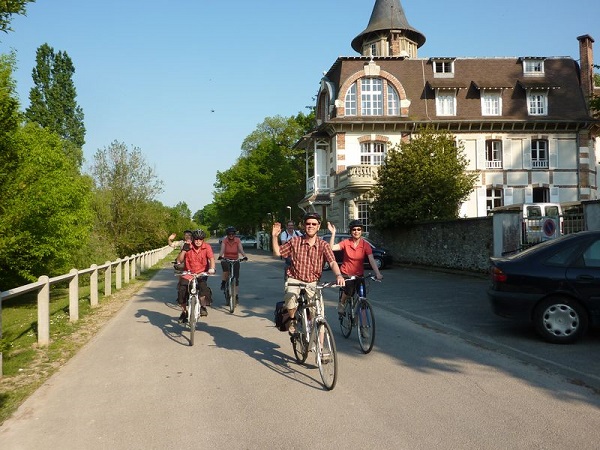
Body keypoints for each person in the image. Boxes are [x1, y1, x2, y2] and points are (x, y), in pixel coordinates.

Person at [272, 212, 345, 334]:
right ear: (303, 225)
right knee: (290, 298)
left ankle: (320, 350)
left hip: (313, 281)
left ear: (318, 226)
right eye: (308, 223)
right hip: (295, 278)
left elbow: (332, 262)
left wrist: (338, 275)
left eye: (313, 224)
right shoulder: (295, 241)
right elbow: (278, 253)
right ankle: (292, 319)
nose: (310, 226)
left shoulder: (323, 245)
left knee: (319, 316)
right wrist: (274, 237)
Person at [327, 220, 383, 315]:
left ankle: (364, 325)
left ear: (361, 231)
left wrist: (378, 273)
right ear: (351, 231)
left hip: (359, 275)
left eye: (358, 229)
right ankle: (342, 303)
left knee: (363, 298)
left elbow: (372, 260)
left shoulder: (365, 245)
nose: (356, 231)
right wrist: (333, 234)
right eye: (354, 229)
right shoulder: (346, 242)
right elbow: (331, 248)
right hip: (346, 274)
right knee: (349, 292)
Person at [175, 229, 215, 323]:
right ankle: (184, 312)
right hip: (189, 273)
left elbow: (211, 259)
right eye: (196, 239)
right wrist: (184, 250)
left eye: (200, 239)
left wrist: (212, 268)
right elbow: (179, 260)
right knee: (182, 290)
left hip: (201, 273)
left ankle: (203, 307)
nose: (198, 241)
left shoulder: (207, 247)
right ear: (193, 239)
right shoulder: (188, 246)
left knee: (203, 289)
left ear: (203, 240)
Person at [218, 226, 248, 299]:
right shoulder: (225, 240)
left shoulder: (237, 240)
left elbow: (240, 249)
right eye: (229, 234)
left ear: (235, 234)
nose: (231, 236)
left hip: (235, 260)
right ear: (227, 235)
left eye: (232, 234)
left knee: (236, 278)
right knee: (226, 271)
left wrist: (244, 256)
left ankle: (236, 295)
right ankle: (224, 282)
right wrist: (220, 256)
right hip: (226, 259)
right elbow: (222, 249)